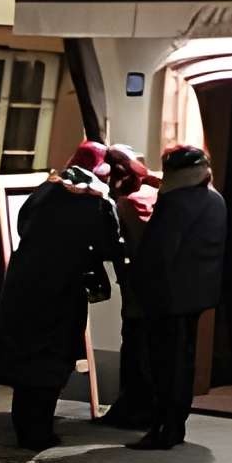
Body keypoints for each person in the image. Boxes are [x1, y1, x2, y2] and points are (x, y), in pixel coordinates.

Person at [0, 147, 122, 449]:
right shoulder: (95, 202)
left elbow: (22, 225)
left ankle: (24, 427)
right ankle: (40, 432)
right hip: (63, 286)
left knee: (25, 357)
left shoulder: (44, 190)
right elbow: (108, 245)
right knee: (51, 359)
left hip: (25, 283)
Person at [130, 142, 226, 450]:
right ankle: (176, 426)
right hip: (196, 296)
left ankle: (163, 428)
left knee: (163, 365)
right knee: (183, 363)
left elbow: (159, 252)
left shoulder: (176, 203)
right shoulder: (215, 200)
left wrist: (140, 282)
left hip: (167, 297)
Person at [99, 144, 158, 430]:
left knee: (136, 345)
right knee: (148, 346)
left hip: (139, 286)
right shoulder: (155, 194)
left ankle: (133, 408)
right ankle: (143, 407)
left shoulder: (128, 203)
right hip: (160, 288)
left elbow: (131, 245)